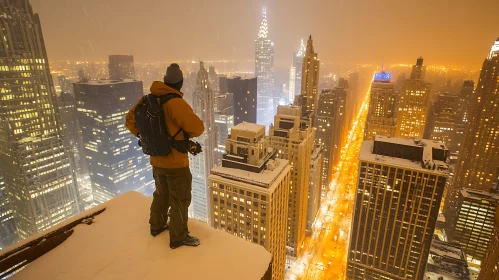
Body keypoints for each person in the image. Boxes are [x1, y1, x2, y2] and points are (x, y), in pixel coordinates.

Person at [125, 63, 204, 249]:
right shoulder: (175, 102)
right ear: (180, 83)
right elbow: (198, 128)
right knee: (180, 199)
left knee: (161, 194)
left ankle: (156, 225)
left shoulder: (146, 100)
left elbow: (129, 120)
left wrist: (144, 136)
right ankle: (178, 237)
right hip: (176, 163)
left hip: (156, 161)